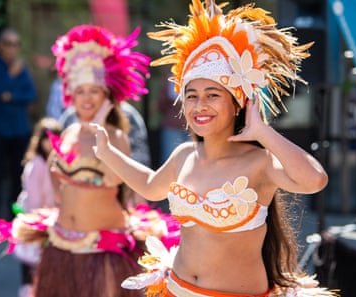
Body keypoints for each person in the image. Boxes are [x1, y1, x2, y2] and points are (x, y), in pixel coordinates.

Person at [90, 1, 337, 296]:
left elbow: (315, 180)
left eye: (212, 94)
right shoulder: (184, 156)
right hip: (176, 289)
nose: (200, 105)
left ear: (236, 104)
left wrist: (262, 131)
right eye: (191, 96)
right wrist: (106, 151)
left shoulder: (261, 162)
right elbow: (149, 186)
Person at [30, 24, 152, 297]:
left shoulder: (116, 137)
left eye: (94, 91)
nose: (86, 98)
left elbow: (115, 179)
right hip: (62, 247)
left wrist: (99, 128)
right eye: (80, 90)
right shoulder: (69, 131)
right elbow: (56, 180)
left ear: (107, 96)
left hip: (101, 251)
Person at [0, 27, 37, 220]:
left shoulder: (22, 68)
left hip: (20, 130)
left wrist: (10, 96)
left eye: (16, 44)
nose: (12, 48)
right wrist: (11, 78)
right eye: (8, 43)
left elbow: (30, 94)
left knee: (18, 177)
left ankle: (15, 219)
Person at [14, 117, 63, 297]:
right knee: (30, 274)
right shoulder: (35, 164)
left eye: (55, 140)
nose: (50, 144)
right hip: (36, 224)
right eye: (47, 140)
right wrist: (40, 221)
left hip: (52, 223)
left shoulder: (60, 163)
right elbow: (34, 200)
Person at [158, 70, 190, 166]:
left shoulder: (195, 78)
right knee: (170, 161)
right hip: (173, 127)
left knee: (192, 160)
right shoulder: (170, 81)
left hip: (192, 127)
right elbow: (161, 104)